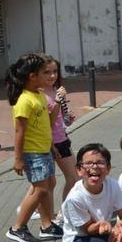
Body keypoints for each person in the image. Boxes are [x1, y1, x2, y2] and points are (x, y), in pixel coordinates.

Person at [6, 53, 63, 242]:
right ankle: (17, 228)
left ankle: (47, 226)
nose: (48, 76)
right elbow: (19, 132)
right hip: (32, 153)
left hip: (44, 150)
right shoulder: (24, 100)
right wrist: (18, 158)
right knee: (40, 190)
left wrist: (51, 146)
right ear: (32, 76)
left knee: (47, 185)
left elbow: (45, 125)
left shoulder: (38, 95)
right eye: (43, 72)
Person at [42, 57, 77, 202]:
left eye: (55, 71)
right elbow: (47, 122)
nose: (52, 76)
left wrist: (68, 119)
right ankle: (37, 208)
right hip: (50, 142)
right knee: (46, 183)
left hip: (62, 138)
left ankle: (64, 209)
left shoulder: (56, 90)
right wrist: (57, 100)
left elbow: (61, 119)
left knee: (74, 176)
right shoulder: (39, 95)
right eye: (47, 72)